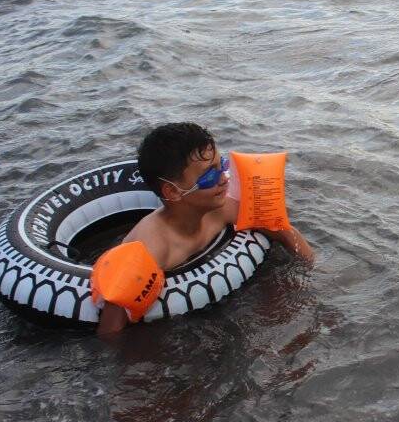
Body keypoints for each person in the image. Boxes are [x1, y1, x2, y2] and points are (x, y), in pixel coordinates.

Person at [97, 122, 315, 335]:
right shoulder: (153, 247)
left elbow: (283, 231)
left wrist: (309, 271)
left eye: (223, 166)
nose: (223, 178)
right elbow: (111, 330)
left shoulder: (218, 211)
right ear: (173, 191)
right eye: (210, 175)